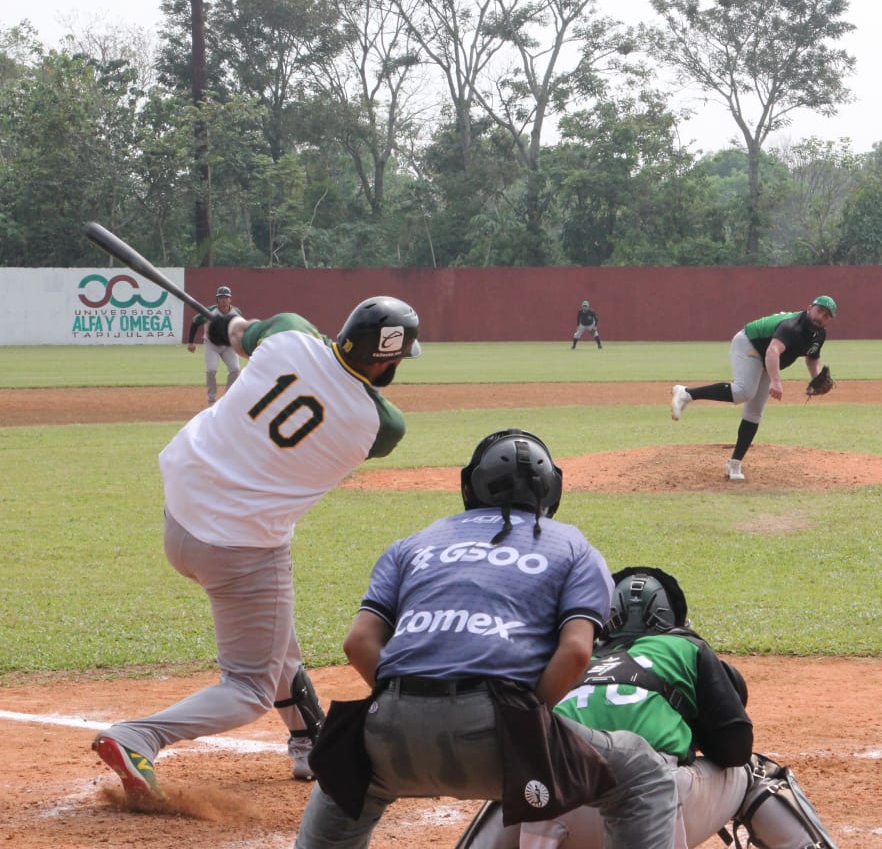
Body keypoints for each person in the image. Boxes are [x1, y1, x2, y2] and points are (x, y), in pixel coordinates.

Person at [92, 296, 422, 802]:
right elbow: (354, 397)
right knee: (249, 688)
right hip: (239, 549)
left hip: (180, 516)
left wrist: (225, 326)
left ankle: (310, 741)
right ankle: (140, 737)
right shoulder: (382, 426)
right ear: (386, 362)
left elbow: (239, 332)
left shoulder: (289, 332)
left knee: (272, 634)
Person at [293, 430, 677, 849]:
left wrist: (408, 707)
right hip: (499, 731)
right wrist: (525, 725)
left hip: (390, 727)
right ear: (551, 489)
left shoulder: (415, 543)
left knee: (343, 778)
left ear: (470, 487)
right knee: (641, 775)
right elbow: (576, 651)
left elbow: (358, 642)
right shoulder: (573, 546)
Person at [454, 567, 839, 849]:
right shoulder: (683, 646)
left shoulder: (573, 657)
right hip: (651, 811)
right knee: (755, 771)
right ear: (674, 620)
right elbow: (734, 748)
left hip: (550, 815)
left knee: (525, 776)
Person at [670, 295, 836, 482]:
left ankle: (734, 464)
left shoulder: (819, 335)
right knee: (744, 391)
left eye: (826, 315)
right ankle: (685, 393)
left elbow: (812, 358)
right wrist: (775, 381)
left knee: (755, 412)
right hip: (749, 343)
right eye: (819, 311)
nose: (821, 317)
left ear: (829, 320)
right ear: (809, 308)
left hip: (767, 358)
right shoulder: (792, 326)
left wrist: (816, 378)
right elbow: (773, 350)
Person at [187, 285, 244, 405]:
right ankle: (211, 398)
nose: (224, 300)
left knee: (235, 369)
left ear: (230, 299)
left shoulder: (236, 312)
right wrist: (191, 342)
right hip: (211, 344)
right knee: (211, 370)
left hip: (228, 345)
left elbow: (240, 327)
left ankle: (228, 397)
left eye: (226, 297)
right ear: (217, 299)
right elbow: (195, 322)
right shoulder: (209, 312)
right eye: (221, 297)